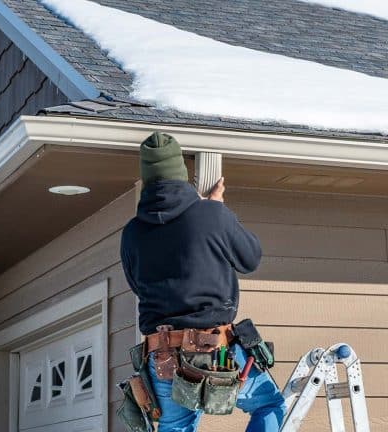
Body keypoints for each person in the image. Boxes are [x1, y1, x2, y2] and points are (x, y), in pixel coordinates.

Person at [120, 132, 286, 432]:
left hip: (163, 356)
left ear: (146, 180)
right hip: (215, 349)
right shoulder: (211, 215)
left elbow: (137, 285)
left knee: (174, 429)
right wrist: (215, 211)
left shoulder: (132, 233)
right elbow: (250, 258)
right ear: (181, 177)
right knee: (269, 405)